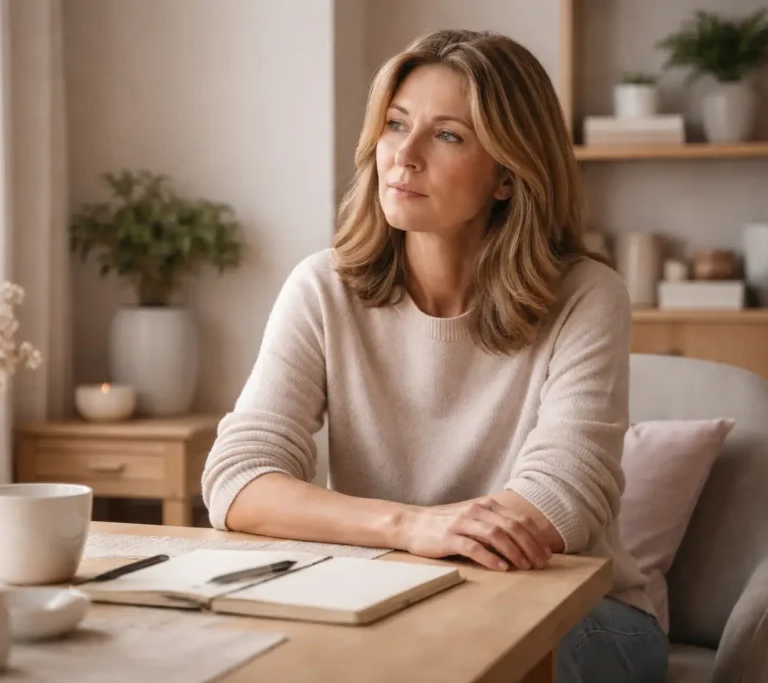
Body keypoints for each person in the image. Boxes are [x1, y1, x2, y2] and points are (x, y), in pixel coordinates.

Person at [201, 28, 668, 682]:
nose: (405, 154)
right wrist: (408, 526)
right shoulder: (322, 288)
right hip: (383, 593)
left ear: (508, 174)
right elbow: (238, 479)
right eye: (396, 124)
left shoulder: (588, 296)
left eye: (448, 134)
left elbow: (559, 504)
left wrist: (402, 539)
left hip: (581, 612)